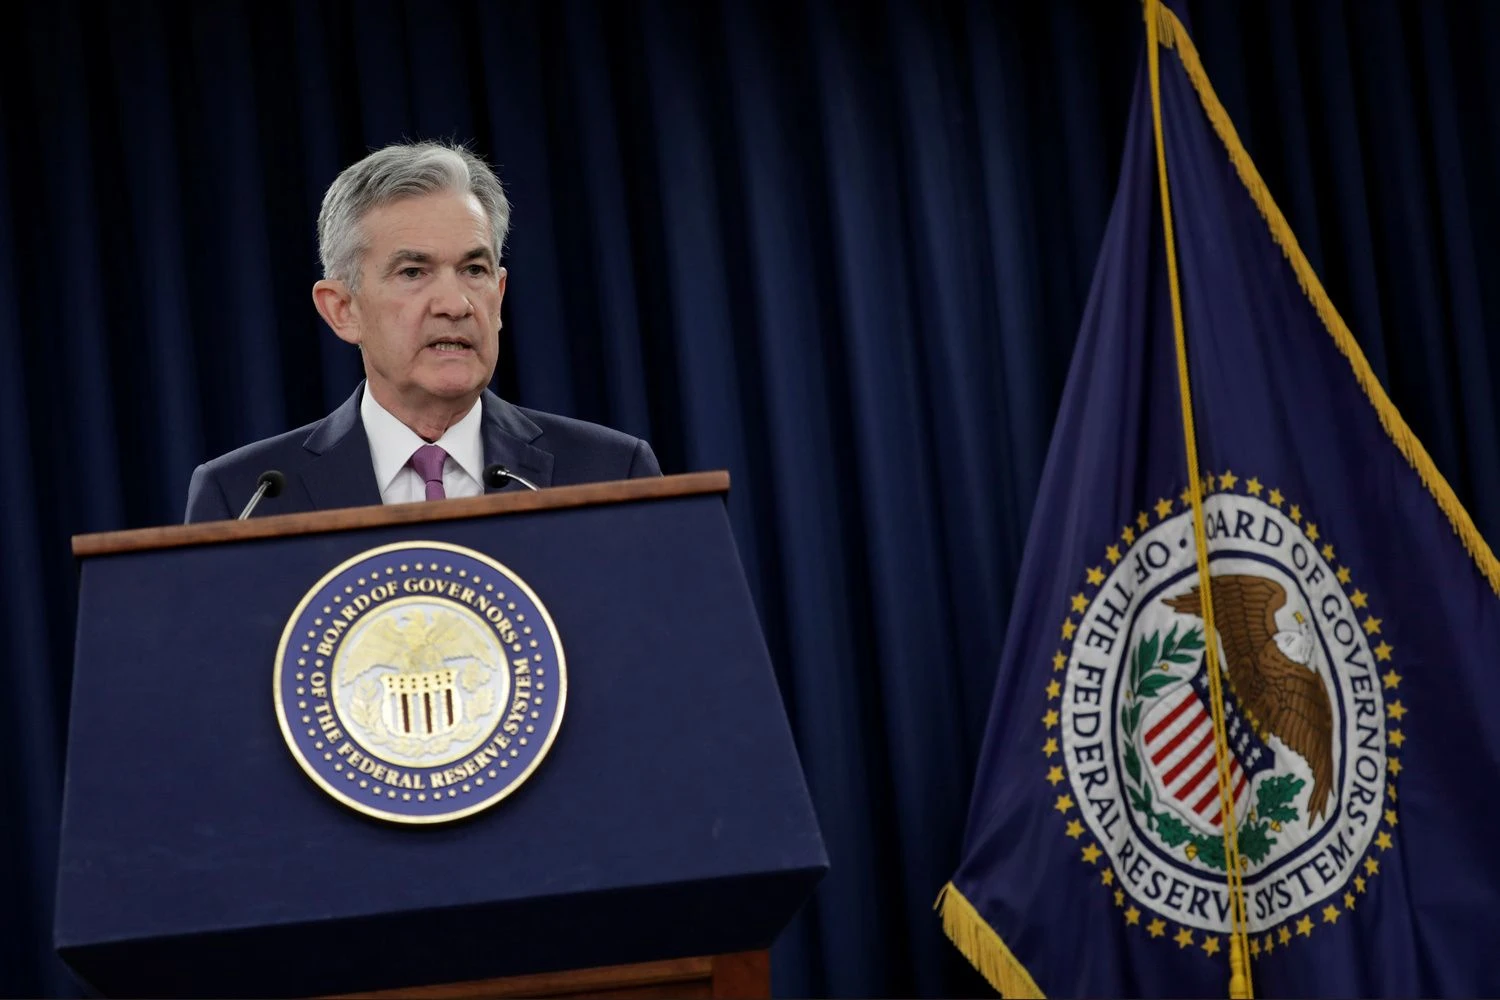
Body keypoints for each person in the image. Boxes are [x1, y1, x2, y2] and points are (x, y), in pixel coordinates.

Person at [183, 141, 660, 522]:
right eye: (413, 272)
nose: (455, 304)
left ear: (499, 294)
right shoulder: (247, 499)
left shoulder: (611, 475)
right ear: (343, 309)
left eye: (474, 270)